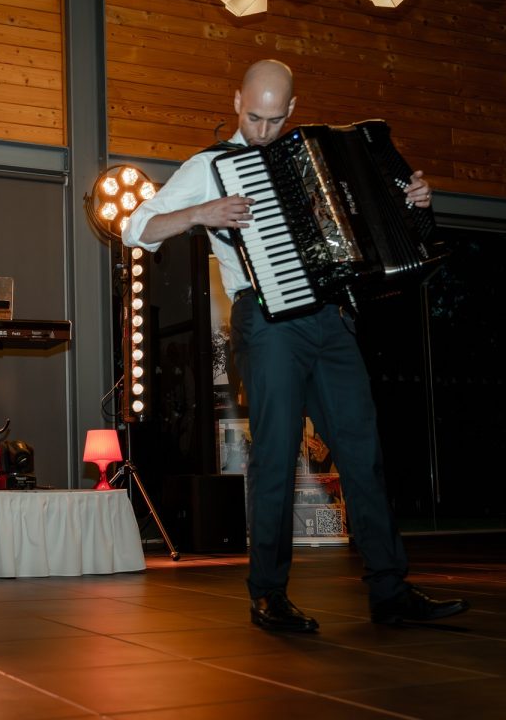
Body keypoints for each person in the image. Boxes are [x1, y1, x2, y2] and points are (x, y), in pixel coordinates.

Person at [122, 60, 468, 632]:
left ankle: (390, 591)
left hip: (331, 319)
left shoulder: (317, 155)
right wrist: (201, 213)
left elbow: (373, 220)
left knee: (362, 451)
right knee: (276, 454)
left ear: (292, 110)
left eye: (275, 119)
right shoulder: (210, 167)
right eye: (254, 117)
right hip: (267, 321)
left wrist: (413, 202)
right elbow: (136, 227)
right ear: (237, 101)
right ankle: (268, 595)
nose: (263, 131)